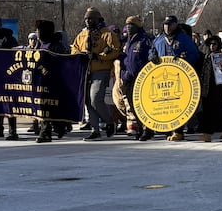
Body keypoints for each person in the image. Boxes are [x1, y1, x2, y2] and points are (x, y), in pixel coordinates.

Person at [71, 8, 121, 141]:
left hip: (101, 70)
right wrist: (80, 56)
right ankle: (95, 130)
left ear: (98, 19)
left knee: (95, 98)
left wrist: (99, 56)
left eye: (91, 18)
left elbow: (116, 50)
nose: (88, 21)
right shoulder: (82, 35)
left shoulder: (107, 34)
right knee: (87, 101)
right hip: (85, 72)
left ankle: (109, 121)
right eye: (86, 19)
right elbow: (74, 50)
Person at [32, 19, 71, 143]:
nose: (37, 33)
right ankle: (46, 131)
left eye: (38, 30)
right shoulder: (39, 45)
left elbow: (63, 64)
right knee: (42, 107)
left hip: (54, 82)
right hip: (41, 82)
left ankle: (58, 127)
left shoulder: (56, 46)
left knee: (53, 108)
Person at [117, 16, 156, 140]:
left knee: (143, 104)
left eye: (131, 25)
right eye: (127, 25)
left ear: (138, 27)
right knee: (134, 106)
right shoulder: (128, 41)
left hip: (142, 77)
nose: (128, 27)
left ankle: (148, 129)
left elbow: (150, 53)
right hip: (128, 77)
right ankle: (140, 126)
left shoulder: (145, 39)